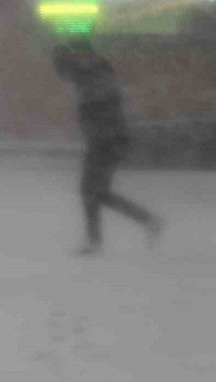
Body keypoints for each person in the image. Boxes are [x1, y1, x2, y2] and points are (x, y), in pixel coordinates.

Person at [53, 38, 164, 256]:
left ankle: (98, 240)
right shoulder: (90, 75)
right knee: (96, 192)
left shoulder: (94, 76)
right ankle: (148, 221)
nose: (63, 77)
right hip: (105, 139)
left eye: (63, 69)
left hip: (107, 140)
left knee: (91, 191)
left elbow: (101, 103)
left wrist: (98, 131)